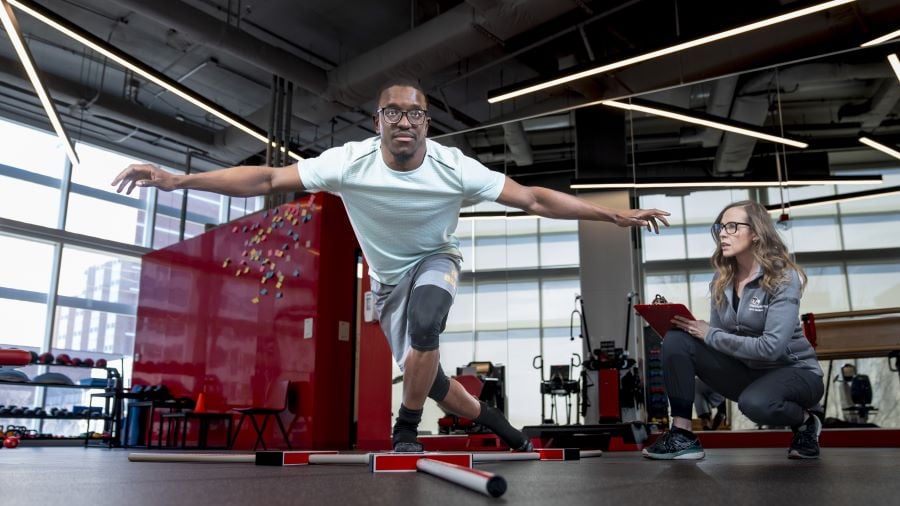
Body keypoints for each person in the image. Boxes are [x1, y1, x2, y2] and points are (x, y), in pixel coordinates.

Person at [112, 79, 670, 453]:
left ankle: (405, 432)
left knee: (430, 321)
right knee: (438, 387)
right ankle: (505, 429)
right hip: (386, 284)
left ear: (427, 123)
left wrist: (611, 217)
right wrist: (179, 179)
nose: (404, 121)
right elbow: (265, 178)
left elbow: (533, 199)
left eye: (415, 113)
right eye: (393, 112)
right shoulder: (347, 162)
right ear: (378, 120)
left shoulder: (455, 167)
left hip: (435, 261)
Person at [642, 200, 824, 460]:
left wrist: (708, 334)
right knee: (677, 338)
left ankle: (807, 421)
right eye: (720, 227)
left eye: (732, 226)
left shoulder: (783, 277)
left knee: (755, 403)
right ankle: (682, 435)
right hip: (748, 372)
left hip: (795, 374)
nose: (723, 233)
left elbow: (771, 348)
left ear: (757, 232)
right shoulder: (721, 280)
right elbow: (718, 339)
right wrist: (692, 332)